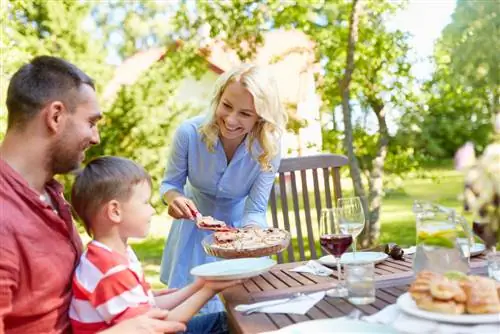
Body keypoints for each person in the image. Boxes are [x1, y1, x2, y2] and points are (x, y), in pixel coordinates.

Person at [0, 56, 184, 333]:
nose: (96, 137)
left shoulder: (50, 195)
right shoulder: (5, 215)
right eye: (91, 122)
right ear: (56, 116)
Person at [160, 64, 287, 313]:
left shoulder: (269, 148)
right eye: (227, 106)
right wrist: (173, 199)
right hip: (192, 233)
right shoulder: (188, 133)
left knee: (240, 314)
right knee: (190, 314)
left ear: (260, 117)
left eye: (245, 114)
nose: (230, 120)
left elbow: (256, 208)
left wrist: (249, 241)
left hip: (240, 235)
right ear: (218, 99)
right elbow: (170, 184)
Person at [69, 156, 239, 333]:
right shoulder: (110, 270)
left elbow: (149, 306)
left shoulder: (115, 255)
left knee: (228, 321)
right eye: (145, 202)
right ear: (115, 211)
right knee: (230, 324)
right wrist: (209, 290)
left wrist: (199, 284)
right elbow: (157, 328)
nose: (152, 210)